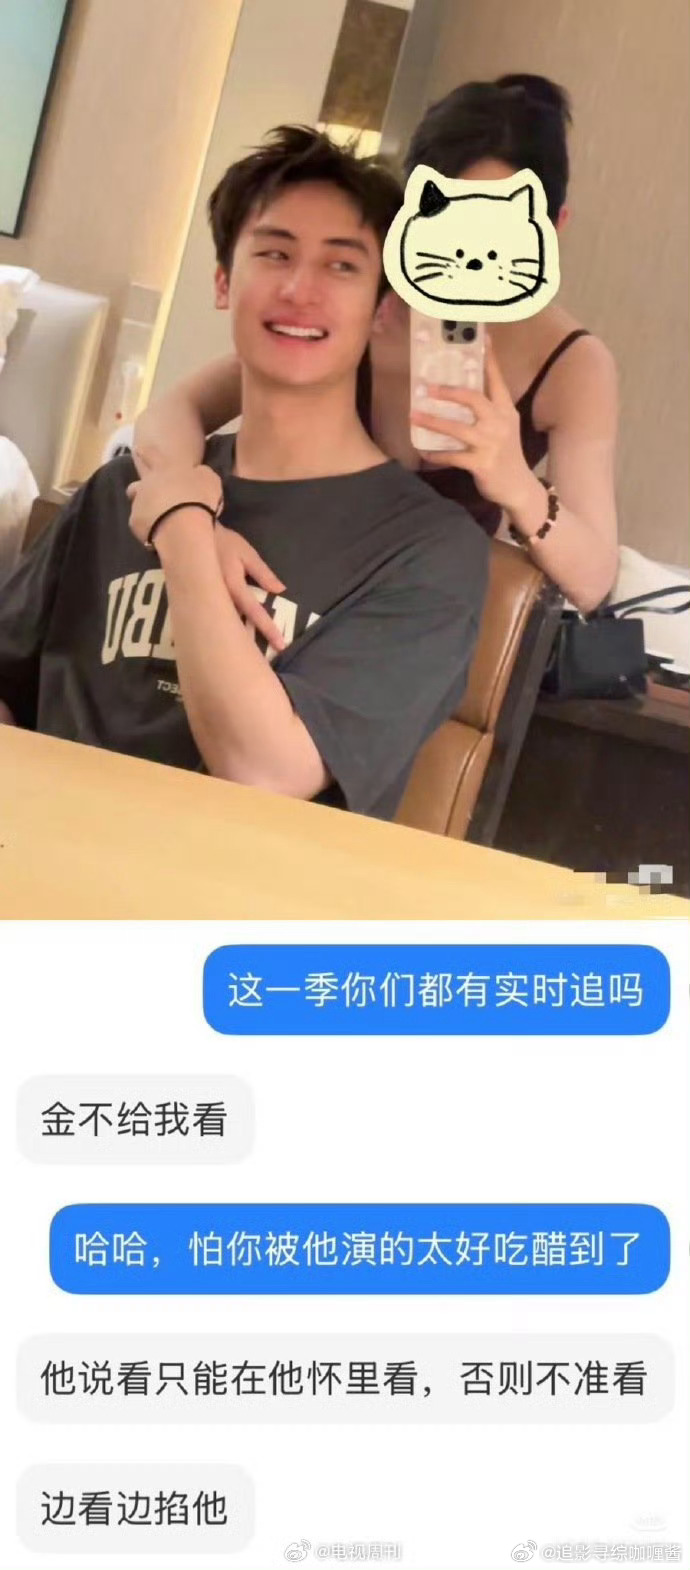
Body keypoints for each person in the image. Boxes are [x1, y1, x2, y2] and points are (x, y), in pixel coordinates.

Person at [0, 127, 488, 822]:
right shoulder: (117, 492)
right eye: (274, 253)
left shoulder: (429, 552)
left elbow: (265, 770)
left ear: (382, 309)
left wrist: (183, 528)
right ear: (224, 282)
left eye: (341, 266)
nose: (298, 289)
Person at [135, 74, 618, 615]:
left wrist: (516, 485)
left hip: (417, 618)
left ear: (552, 228)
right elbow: (173, 412)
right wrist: (184, 511)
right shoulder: (363, 301)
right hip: (277, 581)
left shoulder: (570, 365)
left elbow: (593, 579)